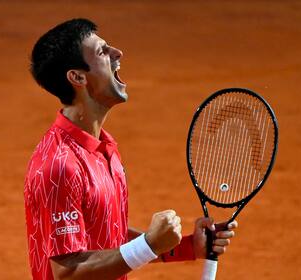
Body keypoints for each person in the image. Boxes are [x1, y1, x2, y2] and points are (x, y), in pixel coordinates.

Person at [24, 18, 238, 280]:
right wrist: (148, 244)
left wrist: (186, 247)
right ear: (77, 77)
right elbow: (68, 274)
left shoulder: (103, 147)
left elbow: (104, 233)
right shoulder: (59, 166)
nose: (117, 53)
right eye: (103, 51)